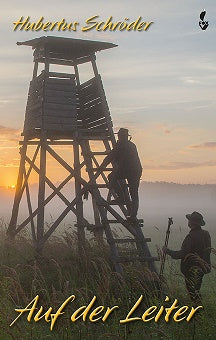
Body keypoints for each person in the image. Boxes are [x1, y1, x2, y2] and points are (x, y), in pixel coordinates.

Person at [163, 211, 211, 304]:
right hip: (202, 267)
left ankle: (197, 313)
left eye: (189, 220)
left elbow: (183, 254)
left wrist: (168, 251)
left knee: (192, 292)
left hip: (191, 269)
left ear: (191, 223)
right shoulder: (206, 234)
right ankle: (199, 312)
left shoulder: (191, 236)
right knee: (196, 290)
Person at [99, 128, 142, 223]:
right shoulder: (131, 145)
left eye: (119, 136)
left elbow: (110, 156)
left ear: (120, 137)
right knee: (134, 194)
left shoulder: (121, 145)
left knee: (111, 177)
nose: (118, 138)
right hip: (136, 171)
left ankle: (121, 197)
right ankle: (133, 216)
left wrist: (102, 166)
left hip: (128, 170)